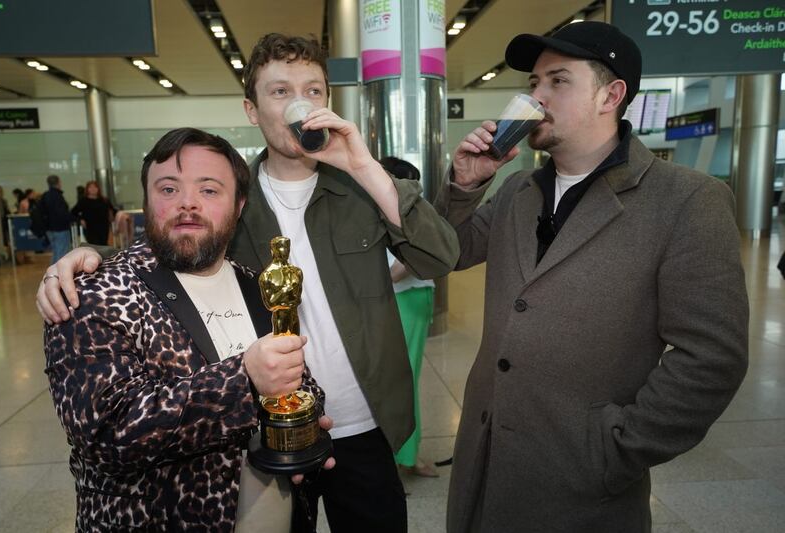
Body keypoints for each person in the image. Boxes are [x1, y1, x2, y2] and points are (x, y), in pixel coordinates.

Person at [37, 34, 459, 532]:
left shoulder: (363, 189)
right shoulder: (233, 201)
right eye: (279, 92)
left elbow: (438, 256)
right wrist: (94, 257)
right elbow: (180, 243)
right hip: (266, 429)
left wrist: (363, 165)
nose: (299, 103)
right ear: (252, 109)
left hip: (365, 421)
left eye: (314, 90)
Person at [435, 21, 749, 532]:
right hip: (486, 461)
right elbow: (447, 253)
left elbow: (712, 356)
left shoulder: (686, 201)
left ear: (611, 95)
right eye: (534, 84)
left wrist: (617, 449)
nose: (536, 97)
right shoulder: (519, 191)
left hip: (582, 487)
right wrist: (465, 185)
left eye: (557, 81)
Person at [45, 127, 333, 532]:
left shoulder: (259, 285)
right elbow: (106, 436)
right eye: (168, 189)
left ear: (239, 205)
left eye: (210, 190)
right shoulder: (91, 293)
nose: (187, 204)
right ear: (146, 201)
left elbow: (293, 376)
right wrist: (243, 379)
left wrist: (306, 425)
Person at [380, 156, 438, 478]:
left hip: (414, 301)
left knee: (406, 381)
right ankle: (400, 459)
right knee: (402, 383)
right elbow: (397, 272)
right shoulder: (391, 214)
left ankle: (406, 456)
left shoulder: (401, 213)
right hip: (405, 301)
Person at [39, 175, 73, 263]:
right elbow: (62, 213)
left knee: (56, 252)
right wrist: (73, 219)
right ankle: (57, 274)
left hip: (49, 229)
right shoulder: (58, 196)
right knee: (61, 253)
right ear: (59, 183)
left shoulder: (45, 195)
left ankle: (52, 273)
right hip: (61, 228)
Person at [71, 180, 114, 245]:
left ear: (98, 189)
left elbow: (112, 210)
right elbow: (73, 212)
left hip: (103, 228)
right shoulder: (83, 201)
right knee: (94, 246)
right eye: (90, 187)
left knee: (104, 245)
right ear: (87, 189)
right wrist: (80, 220)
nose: (93, 189)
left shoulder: (104, 200)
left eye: (95, 187)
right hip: (90, 228)